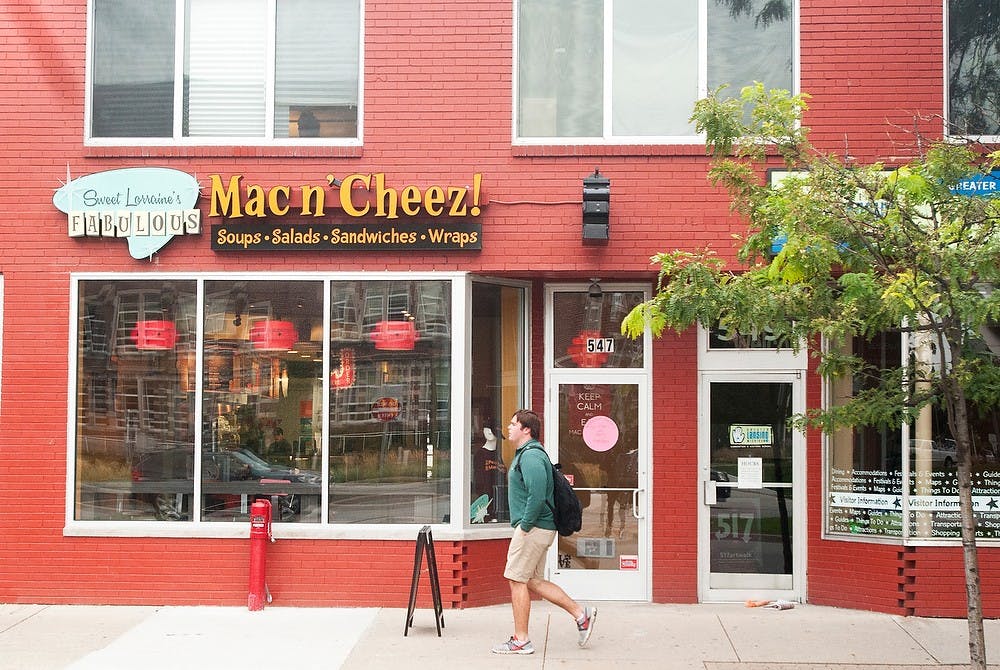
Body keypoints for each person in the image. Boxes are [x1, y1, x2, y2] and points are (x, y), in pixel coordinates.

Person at [491, 409, 596, 655]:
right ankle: (581, 616)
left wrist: (525, 526)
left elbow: (537, 496)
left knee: (516, 579)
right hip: (538, 528)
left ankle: (521, 640)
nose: (509, 427)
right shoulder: (528, 455)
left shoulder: (531, 457)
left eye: (513, 423)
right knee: (532, 581)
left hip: (533, 528)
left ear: (526, 429)